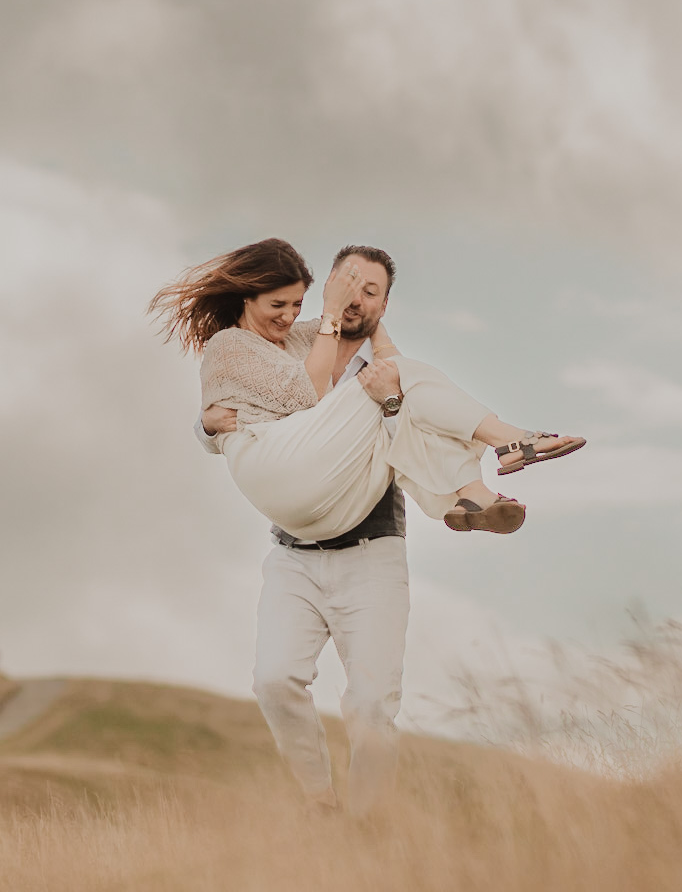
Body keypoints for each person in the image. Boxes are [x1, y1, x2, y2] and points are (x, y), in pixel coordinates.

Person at [150, 238, 584, 813]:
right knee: (275, 682)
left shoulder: (360, 355)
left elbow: (377, 370)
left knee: (374, 704)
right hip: (295, 543)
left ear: (384, 306)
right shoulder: (270, 343)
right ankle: (502, 451)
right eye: (343, 286)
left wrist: (379, 371)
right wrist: (206, 426)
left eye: (370, 292)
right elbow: (288, 394)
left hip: (369, 547)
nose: (290, 317)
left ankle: (368, 822)